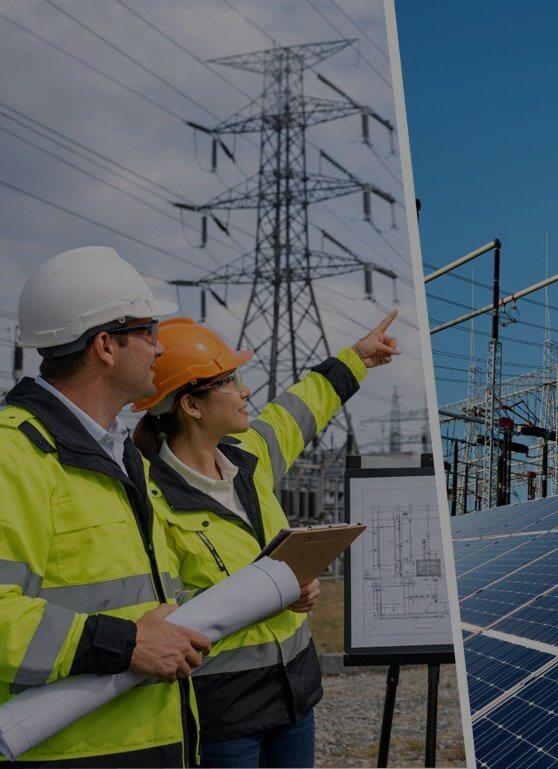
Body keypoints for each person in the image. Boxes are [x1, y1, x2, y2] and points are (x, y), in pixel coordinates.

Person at [130, 311, 398, 768]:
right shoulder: (151, 496)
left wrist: (356, 359)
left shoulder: (249, 457)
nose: (246, 390)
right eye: (230, 381)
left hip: (294, 694)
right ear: (191, 405)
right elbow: (163, 607)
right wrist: (271, 594)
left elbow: (300, 408)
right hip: (224, 712)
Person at [0, 246, 211, 766]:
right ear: (105, 346)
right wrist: (126, 643)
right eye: (149, 332)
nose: (161, 350)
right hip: (67, 751)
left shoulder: (119, 454)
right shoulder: (15, 454)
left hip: (152, 740)